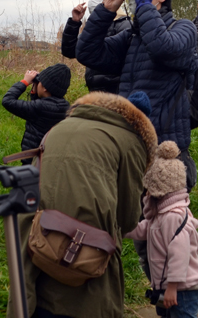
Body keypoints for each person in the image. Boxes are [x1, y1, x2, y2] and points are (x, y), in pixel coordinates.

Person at [15, 90, 157, 318]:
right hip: (87, 261)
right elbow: (128, 216)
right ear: (141, 124)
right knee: (87, 302)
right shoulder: (131, 140)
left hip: (39, 243)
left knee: (48, 299)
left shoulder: (58, 128)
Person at [75, 0, 198, 189]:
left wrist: (144, 7)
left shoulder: (183, 28)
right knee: (132, 221)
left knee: (166, 221)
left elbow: (163, 46)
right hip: (130, 144)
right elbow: (87, 53)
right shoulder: (133, 37)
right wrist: (106, 10)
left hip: (166, 148)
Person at [124, 140, 198, 318]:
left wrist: (172, 288)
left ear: (158, 191)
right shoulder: (161, 215)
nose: (145, 193)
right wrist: (119, 230)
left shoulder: (172, 217)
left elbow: (180, 254)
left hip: (182, 289)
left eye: (148, 189)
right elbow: (144, 229)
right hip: (171, 286)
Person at [61, 0, 132, 93]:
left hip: (116, 91)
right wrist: (74, 23)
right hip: (95, 90)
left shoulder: (123, 24)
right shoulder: (93, 27)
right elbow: (70, 51)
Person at [1, 63, 71, 164]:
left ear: (45, 87)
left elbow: (7, 101)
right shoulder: (66, 106)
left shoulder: (39, 108)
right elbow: (45, 104)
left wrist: (25, 82)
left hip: (33, 158)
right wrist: (35, 90)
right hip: (53, 159)